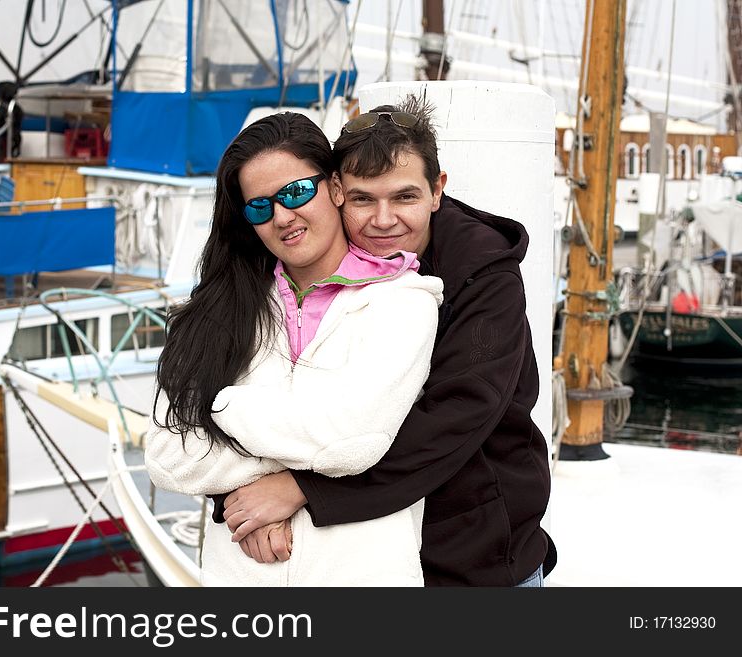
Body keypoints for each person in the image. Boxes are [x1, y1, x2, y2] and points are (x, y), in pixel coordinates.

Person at [217, 95, 556, 587]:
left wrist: (302, 490)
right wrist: (243, 497)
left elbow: (460, 413)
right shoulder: (316, 273)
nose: (383, 220)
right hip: (368, 556)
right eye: (362, 199)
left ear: (437, 191)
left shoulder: (483, 275)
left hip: (473, 555)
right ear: (336, 193)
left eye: (404, 197)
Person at [144, 111, 444, 586]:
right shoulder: (220, 311)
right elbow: (166, 455)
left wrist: (222, 407)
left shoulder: (402, 302)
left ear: (335, 188)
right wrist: (265, 482)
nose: (283, 216)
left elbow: (351, 441)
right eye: (261, 207)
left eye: (296, 192)